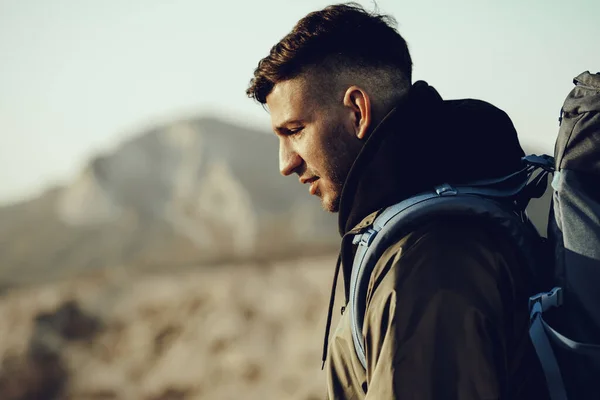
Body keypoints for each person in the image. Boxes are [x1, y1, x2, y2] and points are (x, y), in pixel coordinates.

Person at [246, 3, 549, 399]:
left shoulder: (427, 262)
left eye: (295, 130)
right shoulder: (435, 222)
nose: (286, 163)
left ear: (357, 111)